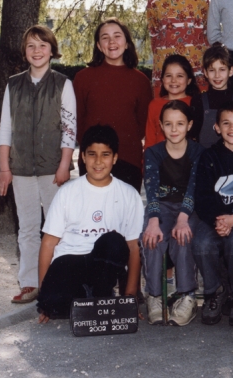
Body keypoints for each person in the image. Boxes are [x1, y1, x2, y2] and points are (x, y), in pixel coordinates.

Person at [0, 25, 76, 304]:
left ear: (52, 50)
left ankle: (59, 282)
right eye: (31, 45)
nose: (37, 50)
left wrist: (65, 164)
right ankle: (30, 282)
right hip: (20, 171)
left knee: (58, 228)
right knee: (28, 228)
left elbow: (69, 129)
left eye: (42, 45)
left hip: (53, 169)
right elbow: (5, 129)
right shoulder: (13, 84)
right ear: (24, 52)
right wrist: (5, 168)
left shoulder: (63, 83)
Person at [35, 125, 143, 322]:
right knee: (53, 306)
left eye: (105, 155)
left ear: (115, 158)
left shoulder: (128, 194)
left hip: (102, 265)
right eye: (92, 154)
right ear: (83, 157)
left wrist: (130, 298)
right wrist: (44, 293)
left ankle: (99, 296)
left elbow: (133, 247)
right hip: (70, 262)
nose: (98, 161)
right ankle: (91, 299)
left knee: (114, 241)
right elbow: (49, 243)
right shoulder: (68, 192)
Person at [192, 102, 233, 326]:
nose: (232, 128)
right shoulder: (209, 156)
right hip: (215, 216)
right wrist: (218, 220)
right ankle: (215, 291)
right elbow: (201, 196)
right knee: (201, 243)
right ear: (217, 128)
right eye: (226, 123)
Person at [142, 100, 205, 326]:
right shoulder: (153, 153)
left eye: (180, 124)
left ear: (189, 125)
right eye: (168, 124)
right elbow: (151, 189)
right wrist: (153, 221)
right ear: (160, 125)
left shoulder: (198, 152)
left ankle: (187, 295)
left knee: (183, 237)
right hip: (161, 206)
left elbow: (194, 187)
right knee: (152, 238)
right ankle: (155, 296)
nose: (174, 129)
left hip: (189, 208)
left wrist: (182, 219)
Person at [74, 18, 153, 192]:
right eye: (105, 37)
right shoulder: (83, 78)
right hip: (93, 160)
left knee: (124, 216)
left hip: (128, 159)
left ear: (126, 43)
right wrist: (93, 152)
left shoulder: (141, 81)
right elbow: (77, 121)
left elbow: (142, 125)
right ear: (99, 45)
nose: (111, 42)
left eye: (117, 36)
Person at [146, 0, 211, 92]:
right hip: (166, 71)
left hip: (196, 71)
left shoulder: (201, 0)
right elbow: (154, 36)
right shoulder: (155, 1)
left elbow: (207, 35)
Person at [145, 55, 203, 148]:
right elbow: (150, 140)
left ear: (188, 80)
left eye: (179, 76)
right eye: (168, 76)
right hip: (160, 159)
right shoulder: (154, 105)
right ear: (163, 79)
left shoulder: (196, 103)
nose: (173, 80)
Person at [198, 43, 233, 148]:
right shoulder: (198, 101)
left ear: (231, 71)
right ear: (205, 73)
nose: (217, 75)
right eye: (212, 70)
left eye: (222, 70)